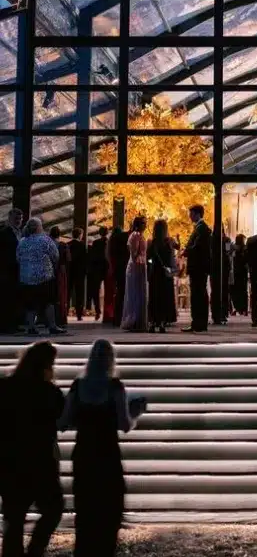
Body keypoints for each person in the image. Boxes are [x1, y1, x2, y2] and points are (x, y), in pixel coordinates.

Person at [59, 339, 147, 557]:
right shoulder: (115, 386)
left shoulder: (78, 386)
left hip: (84, 453)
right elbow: (124, 425)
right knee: (109, 510)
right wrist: (136, 412)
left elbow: (63, 423)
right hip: (107, 454)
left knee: (85, 509)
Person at [0, 341, 64, 557]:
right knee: (53, 508)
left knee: (14, 518)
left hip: (10, 460)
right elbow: (62, 420)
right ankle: (35, 550)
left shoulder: (5, 387)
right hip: (41, 460)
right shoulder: (49, 392)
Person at [17, 218, 66, 336]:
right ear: (39, 227)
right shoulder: (45, 240)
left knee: (30, 304)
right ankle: (52, 326)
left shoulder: (22, 241)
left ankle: (31, 327)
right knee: (49, 302)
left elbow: (18, 257)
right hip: (44, 276)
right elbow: (55, 255)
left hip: (26, 277)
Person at [182, 205, 212, 333]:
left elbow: (197, 247)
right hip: (200, 267)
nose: (189, 216)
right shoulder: (201, 228)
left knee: (198, 295)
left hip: (198, 267)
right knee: (199, 294)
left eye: (191, 214)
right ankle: (198, 323)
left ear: (197, 214)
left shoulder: (202, 229)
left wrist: (186, 251)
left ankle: (198, 323)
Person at [148, 219, 176, 333]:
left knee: (154, 297)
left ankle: (153, 322)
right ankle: (163, 322)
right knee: (165, 298)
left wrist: (151, 265)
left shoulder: (151, 242)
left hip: (155, 273)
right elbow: (171, 258)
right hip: (166, 273)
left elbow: (148, 259)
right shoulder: (169, 242)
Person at [121, 216, 148, 332]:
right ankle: (134, 319)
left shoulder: (140, 235)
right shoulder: (135, 235)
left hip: (140, 266)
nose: (145, 225)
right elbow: (134, 254)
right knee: (135, 293)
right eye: (143, 223)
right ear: (138, 224)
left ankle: (138, 320)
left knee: (139, 293)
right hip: (135, 267)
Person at [0, 207, 23, 334]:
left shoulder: (20, 232)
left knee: (15, 298)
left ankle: (14, 323)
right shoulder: (4, 233)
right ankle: (6, 325)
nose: (18, 220)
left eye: (20, 218)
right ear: (9, 218)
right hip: (6, 270)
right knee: (6, 298)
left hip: (16, 270)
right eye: (16, 218)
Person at [108, 226, 129, 327]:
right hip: (122, 270)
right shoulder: (120, 243)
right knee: (122, 293)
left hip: (116, 270)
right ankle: (120, 317)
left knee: (118, 293)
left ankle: (116, 317)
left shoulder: (111, 243)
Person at [50, 226, 70, 329]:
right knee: (61, 295)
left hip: (49, 270)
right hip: (61, 271)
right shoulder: (63, 245)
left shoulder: (48, 244)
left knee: (50, 295)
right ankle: (61, 318)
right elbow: (68, 259)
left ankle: (47, 318)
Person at [87, 226, 109, 322]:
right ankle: (108, 312)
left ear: (99, 233)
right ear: (107, 233)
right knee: (109, 290)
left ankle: (98, 310)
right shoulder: (109, 242)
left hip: (97, 269)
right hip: (107, 269)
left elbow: (93, 257)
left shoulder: (96, 243)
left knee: (96, 291)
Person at [67, 227, 87, 321]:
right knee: (79, 293)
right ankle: (79, 314)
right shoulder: (82, 246)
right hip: (79, 273)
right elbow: (85, 260)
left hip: (69, 272)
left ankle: (65, 312)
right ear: (80, 235)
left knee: (68, 293)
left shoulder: (68, 245)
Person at [230, 233, 249, 315]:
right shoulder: (245, 248)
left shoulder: (233, 248)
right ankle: (244, 309)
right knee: (243, 291)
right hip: (243, 272)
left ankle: (236, 308)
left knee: (235, 291)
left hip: (234, 272)